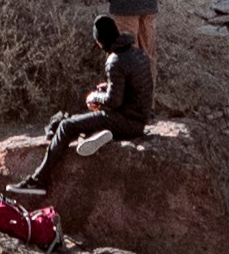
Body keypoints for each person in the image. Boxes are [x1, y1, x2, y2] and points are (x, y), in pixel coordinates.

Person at [20, 17, 157, 193]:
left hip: (126, 122)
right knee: (85, 117)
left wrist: (96, 96)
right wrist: (107, 88)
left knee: (66, 125)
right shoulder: (137, 53)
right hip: (138, 119)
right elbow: (134, 88)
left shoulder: (114, 61)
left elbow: (114, 101)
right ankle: (96, 134)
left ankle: (39, 180)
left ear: (100, 42)